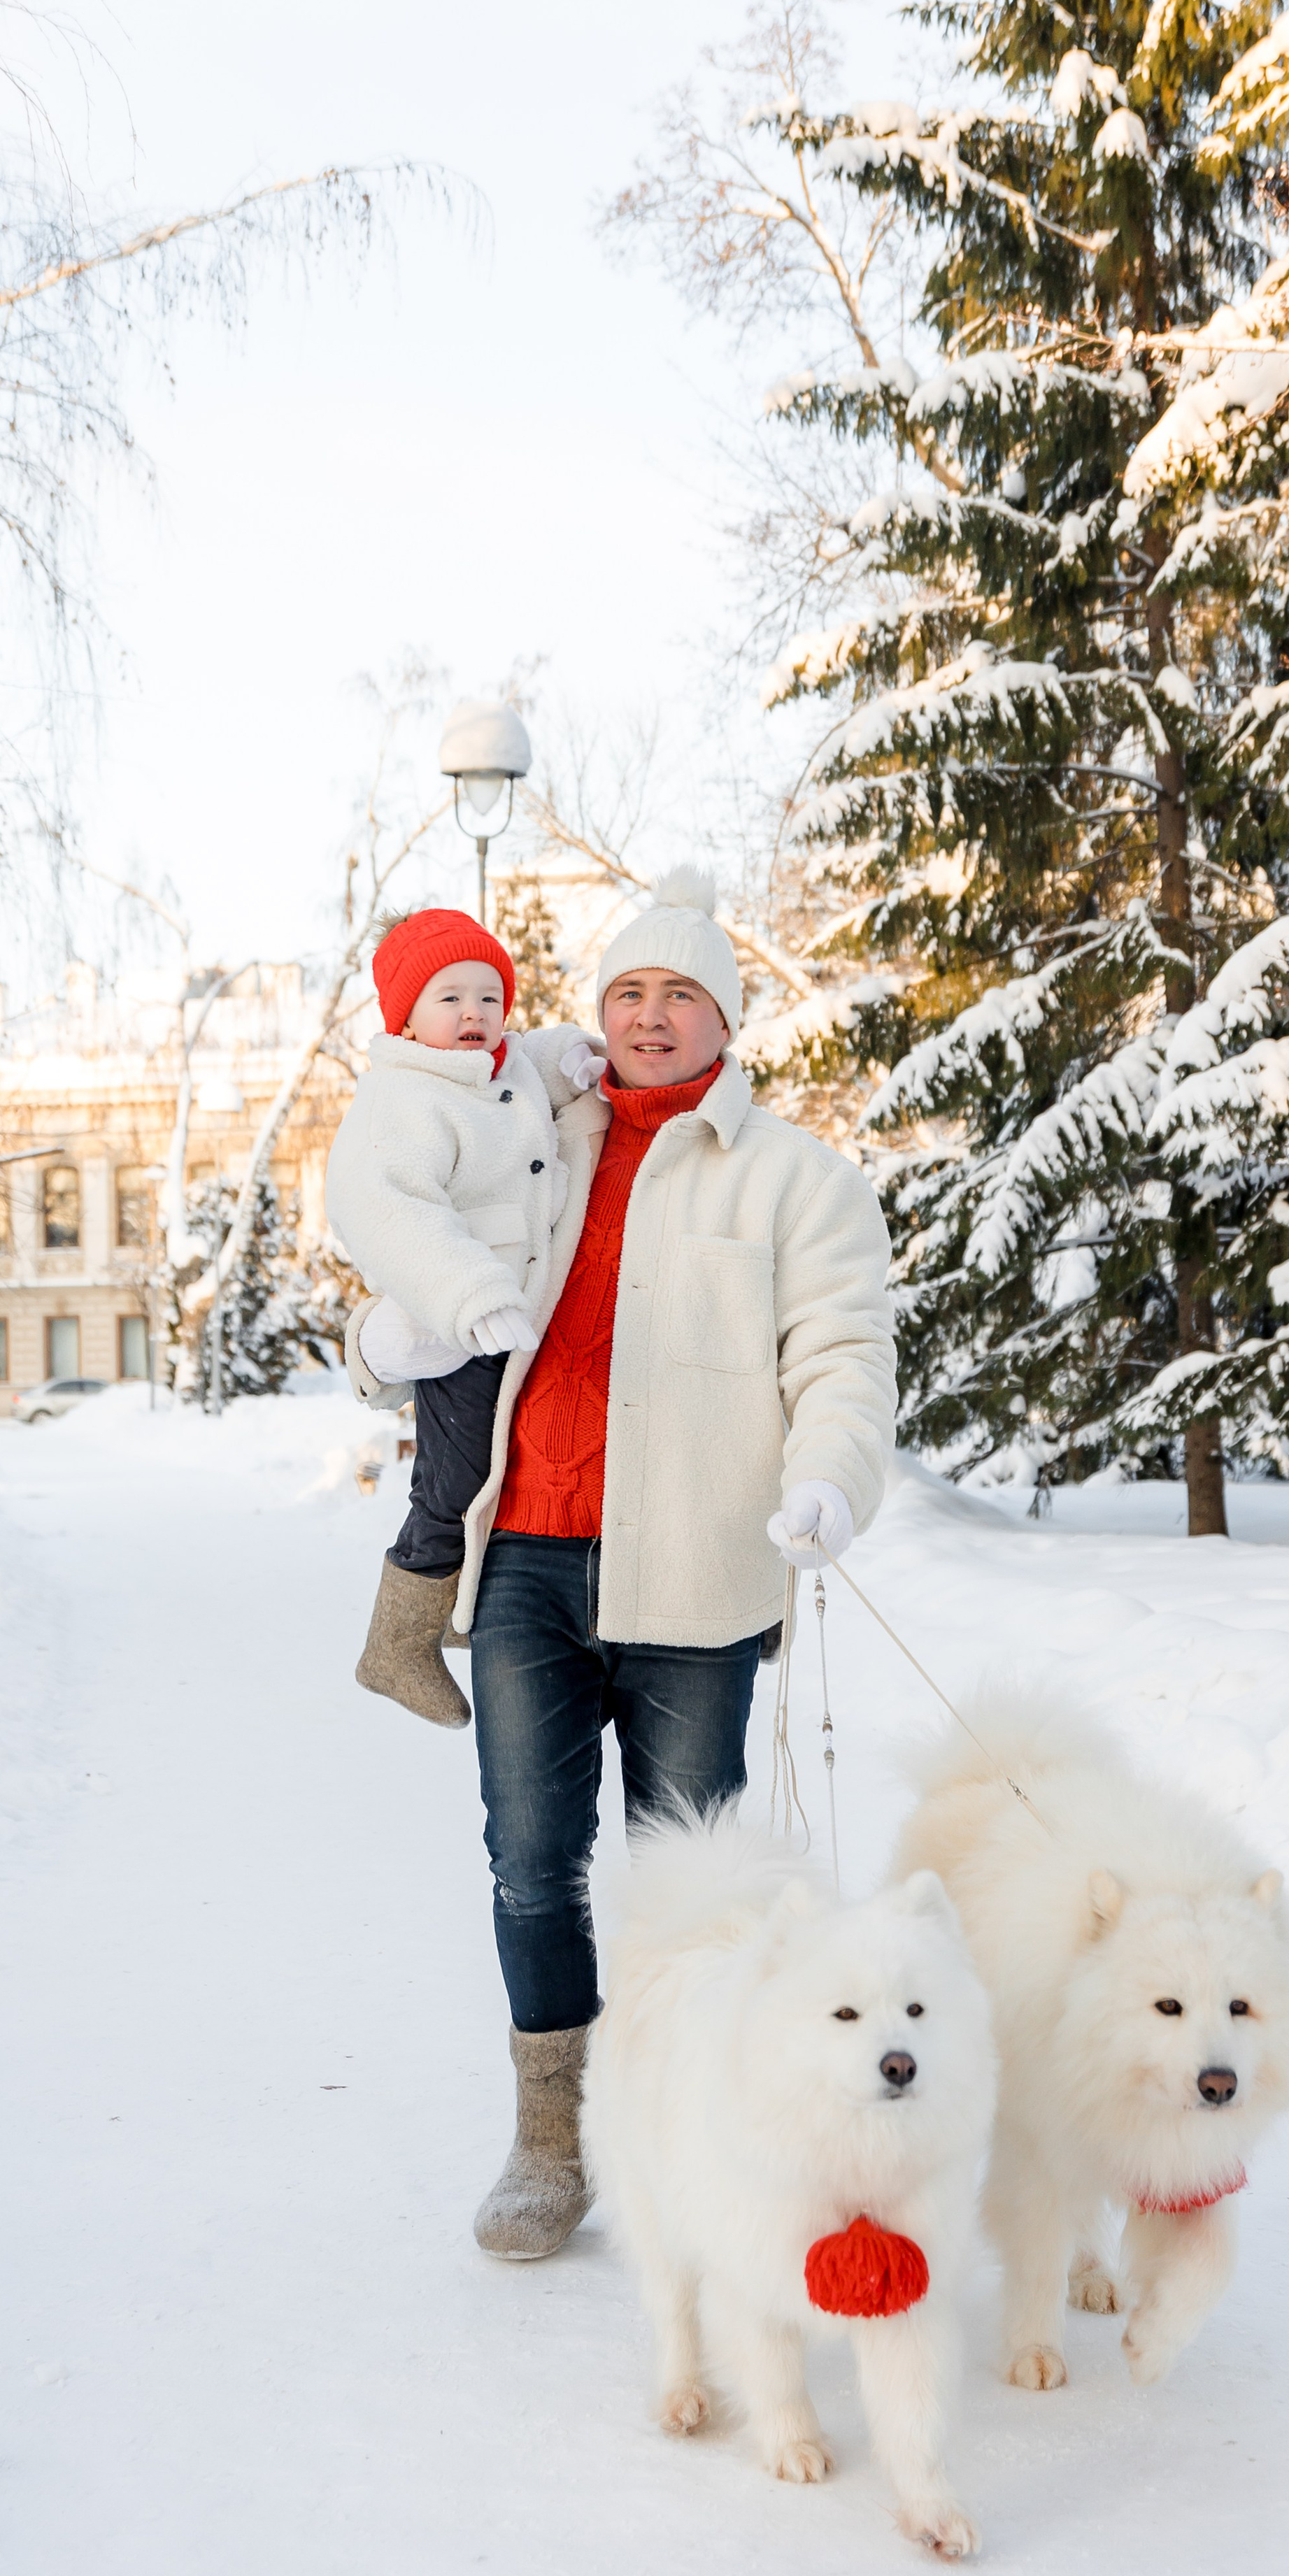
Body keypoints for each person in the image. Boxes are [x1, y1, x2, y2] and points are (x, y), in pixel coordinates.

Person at [342, 866, 897, 2259]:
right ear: (599, 1012)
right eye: (627, 992)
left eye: (679, 993)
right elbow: (416, 1236)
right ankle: (548, 2143)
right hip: (527, 1558)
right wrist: (381, 1335)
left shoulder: (793, 1179)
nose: (650, 1018)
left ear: (725, 1015)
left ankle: (691, 2130)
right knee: (532, 1863)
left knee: (686, 1881)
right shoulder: (537, 1129)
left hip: (699, 1575)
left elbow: (840, 1358)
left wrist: (830, 1481)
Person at [325, 906, 598, 1727]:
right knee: (456, 1482)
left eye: (490, 995)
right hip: (459, 1324)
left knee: (506, 1478)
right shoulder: (401, 1100)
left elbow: (528, 1077)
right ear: (405, 1017)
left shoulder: (497, 1070)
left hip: (520, 1317)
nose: (474, 1013)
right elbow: (389, 1213)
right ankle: (396, 1643)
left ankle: (456, 1610)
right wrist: (469, 1298)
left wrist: (566, 1055)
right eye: (450, 998)